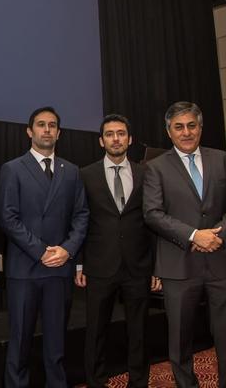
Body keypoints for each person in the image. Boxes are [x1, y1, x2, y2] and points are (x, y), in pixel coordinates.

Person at [143, 101, 226, 388]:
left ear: (201, 128)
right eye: (179, 127)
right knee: (179, 341)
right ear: (169, 132)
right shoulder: (155, 168)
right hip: (179, 266)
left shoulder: (223, 160)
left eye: (192, 125)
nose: (186, 132)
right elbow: (152, 213)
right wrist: (194, 235)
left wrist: (219, 234)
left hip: (222, 261)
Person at [0, 106, 89, 388]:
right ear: (29, 131)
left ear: (59, 133)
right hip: (25, 269)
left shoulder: (71, 171)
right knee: (20, 343)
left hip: (59, 270)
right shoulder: (12, 169)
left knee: (56, 344)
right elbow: (7, 217)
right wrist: (41, 251)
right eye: (41, 124)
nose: (47, 129)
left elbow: (81, 214)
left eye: (52, 125)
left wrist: (67, 250)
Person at [76, 114, 161, 388]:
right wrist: (79, 264)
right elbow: (78, 220)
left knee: (139, 331)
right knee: (96, 331)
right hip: (99, 266)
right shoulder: (85, 174)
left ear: (130, 139)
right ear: (102, 141)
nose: (116, 138)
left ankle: (139, 382)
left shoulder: (146, 173)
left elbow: (154, 221)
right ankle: (96, 382)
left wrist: (156, 266)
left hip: (138, 265)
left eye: (121, 133)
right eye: (110, 134)